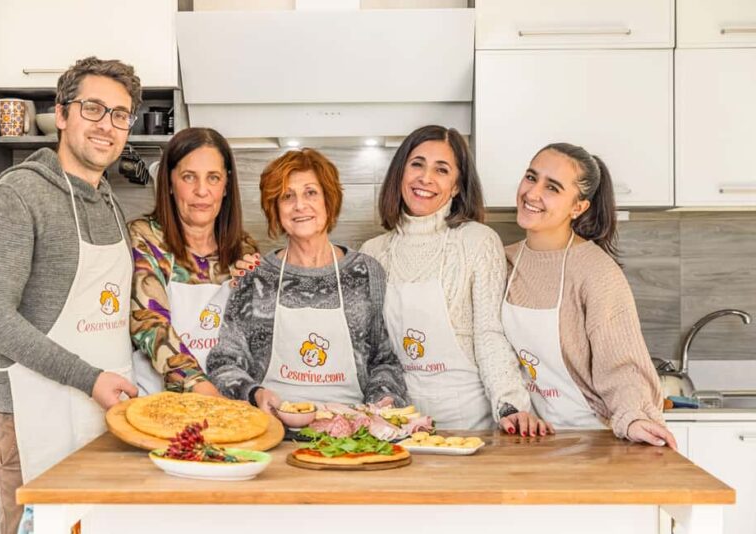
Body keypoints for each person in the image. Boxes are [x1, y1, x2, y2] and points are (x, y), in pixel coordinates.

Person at [0, 56, 142, 534]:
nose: (107, 125)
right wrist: (89, 379)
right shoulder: (19, 195)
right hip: (31, 423)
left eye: (120, 114)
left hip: (104, 422)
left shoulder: (109, 201)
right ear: (61, 114)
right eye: (92, 108)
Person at [361, 125, 549, 434]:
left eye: (442, 170)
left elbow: (489, 333)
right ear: (400, 173)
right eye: (417, 164)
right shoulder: (373, 252)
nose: (425, 178)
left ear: (457, 186)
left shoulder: (477, 242)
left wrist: (509, 405)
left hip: (468, 422)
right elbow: (373, 350)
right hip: (398, 424)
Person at [501, 142, 676, 448]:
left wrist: (634, 418)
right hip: (528, 441)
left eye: (552, 187)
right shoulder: (503, 261)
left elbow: (622, 366)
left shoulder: (596, 272)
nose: (532, 193)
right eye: (531, 177)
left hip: (592, 439)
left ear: (578, 207)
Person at [206, 148, 408, 411]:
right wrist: (254, 393)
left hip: (353, 430)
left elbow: (385, 360)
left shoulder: (366, 272)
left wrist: (383, 400)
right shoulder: (256, 277)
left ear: (329, 200)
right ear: (275, 209)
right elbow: (223, 362)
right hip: (274, 427)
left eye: (310, 192)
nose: (300, 205)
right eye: (287, 196)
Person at [128, 127, 256, 396]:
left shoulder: (244, 249)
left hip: (227, 397)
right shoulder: (144, 237)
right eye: (189, 177)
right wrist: (198, 385)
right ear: (170, 183)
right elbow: (149, 323)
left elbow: (254, 337)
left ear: (225, 186)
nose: (202, 191)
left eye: (213, 178)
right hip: (158, 400)